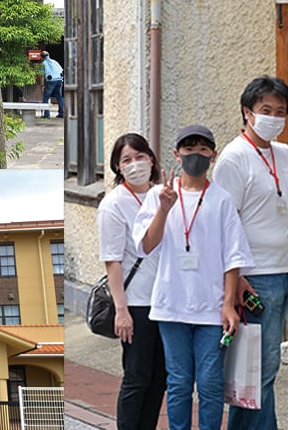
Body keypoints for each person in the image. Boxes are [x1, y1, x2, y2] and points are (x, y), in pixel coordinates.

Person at [212, 76, 288, 430]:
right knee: (255, 372)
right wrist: (235, 284)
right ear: (248, 113)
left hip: (281, 274)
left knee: (262, 369)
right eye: (266, 110)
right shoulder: (234, 158)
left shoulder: (281, 152)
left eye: (280, 112)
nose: (274, 117)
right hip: (253, 279)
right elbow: (221, 225)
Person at [133, 125, 252, 430]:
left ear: (213, 155)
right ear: (176, 154)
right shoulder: (158, 196)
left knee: (211, 383)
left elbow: (233, 257)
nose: (195, 155)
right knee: (179, 382)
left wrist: (228, 304)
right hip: (171, 305)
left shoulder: (222, 200)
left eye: (202, 150)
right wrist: (164, 208)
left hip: (211, 308)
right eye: (188, 149)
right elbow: (146, 245)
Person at [97, 133, 165, 430]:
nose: (135, 164)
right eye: (127, 160)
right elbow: (112, 260)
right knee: (137, 376)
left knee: (161, 377)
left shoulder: (164, 194)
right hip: (136, 303)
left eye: (140, 157)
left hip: (167, 301)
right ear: (117, 167)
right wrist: (121, 310)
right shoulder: (114, 204)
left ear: (151, 159)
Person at [40, 50, 64, 119]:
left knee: (46, 97)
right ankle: (61, 113)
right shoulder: (55, 62)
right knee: (59, 96)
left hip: (51, 81)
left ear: (42, 57)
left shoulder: (42, 64)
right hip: (59, 80)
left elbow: (42, 76)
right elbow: (61, 70)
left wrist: (42, 85)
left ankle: (47, 114)